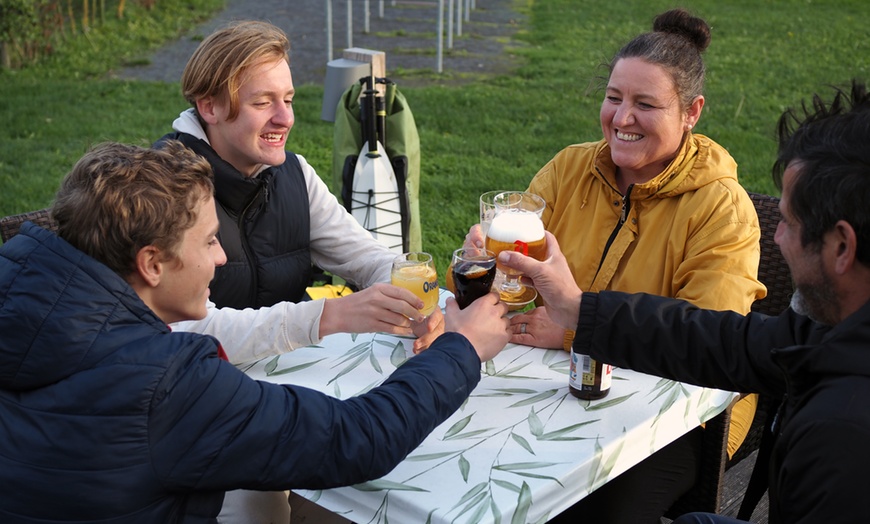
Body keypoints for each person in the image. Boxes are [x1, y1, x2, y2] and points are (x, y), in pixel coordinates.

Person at [0, 141, 511, 524]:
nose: (220, 258)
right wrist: (461, 349)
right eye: (208, 243)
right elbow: (357, 438)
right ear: (152, 264)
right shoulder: (168, 384)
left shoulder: (21, 302)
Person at [500, 79, 870, 524]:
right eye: (613, 98)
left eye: (788, 222)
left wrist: (572, 325)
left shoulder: (844, 436)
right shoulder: (829, 338)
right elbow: (721, 338)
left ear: (842, 247)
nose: (776, 235)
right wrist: (580, 310)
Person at [467, 9, 764, 522]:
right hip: (557, 380)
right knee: (477, 463)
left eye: (645, 104)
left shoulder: (721, 208)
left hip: (678, 418)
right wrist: (489, 265)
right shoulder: (570, 168)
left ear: (692, 112)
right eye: (613, 98)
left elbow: (708, 344)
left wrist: (569, 330)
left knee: (589, 508)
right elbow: (521, 286)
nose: (621, 119)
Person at [156, 20, 442, 365]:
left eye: (288, 100)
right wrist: (327, 316)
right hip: (190, 388)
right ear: (209, 107)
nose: (285, 118)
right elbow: (184, 330)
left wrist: (417, 302)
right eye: (263, 103)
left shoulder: (294, 174)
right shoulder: (161, 187)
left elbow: (366, 256)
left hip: (279, 376)